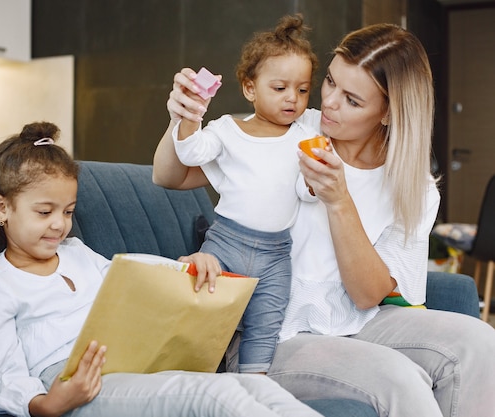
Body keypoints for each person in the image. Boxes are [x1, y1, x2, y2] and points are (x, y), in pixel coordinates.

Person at [154, 21, 495, 417]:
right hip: (275, 331)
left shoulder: (412, 184)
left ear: (388, 113)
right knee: (398, 378)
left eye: (352, 100)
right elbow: (171, 175)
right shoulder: (292, 127)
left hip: (361, 320)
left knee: (481, 343)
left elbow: (369, 296)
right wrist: (182, 117)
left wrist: (338, 200)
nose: (329, 102)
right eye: (330, 81)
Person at [0, 121, 323, 417]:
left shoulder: (75, 252)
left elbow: (128, 275)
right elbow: (5, 372)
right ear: (2, 208)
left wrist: (183, 267)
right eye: (44, 212)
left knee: (254, 384)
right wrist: (47, 404)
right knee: (214, 397)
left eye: (68, 211)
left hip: (124, 362)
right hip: (73, 383)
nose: (59, 225)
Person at [172, 14, 320, 375]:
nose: (293, 99)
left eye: (302, 90)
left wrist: (317, 181)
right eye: (280, 88)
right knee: (200, 310)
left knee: (264, 327)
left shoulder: (303, 137)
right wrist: (193, 111)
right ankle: (187, 377)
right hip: (226, 243)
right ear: (249, 88)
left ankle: (253, 387)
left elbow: (304, 192)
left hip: (275, 255)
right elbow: (190, 153)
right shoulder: (228, 129)